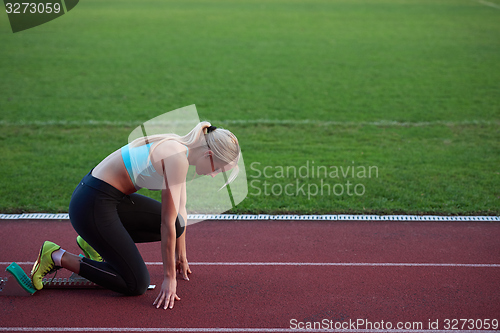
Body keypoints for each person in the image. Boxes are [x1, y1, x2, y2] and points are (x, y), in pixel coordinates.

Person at [30, 122, 240, 309]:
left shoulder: (181, 148)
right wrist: (169, 278)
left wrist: (180, 255)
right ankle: (56, 256)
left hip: (108, 200)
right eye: (218, 170)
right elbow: (166, 223)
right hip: (90, 206)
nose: (213, 175)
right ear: (208, 155)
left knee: (178, 225)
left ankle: (93, 244)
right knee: (135, 284)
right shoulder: (178, 158)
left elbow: (180, 211)